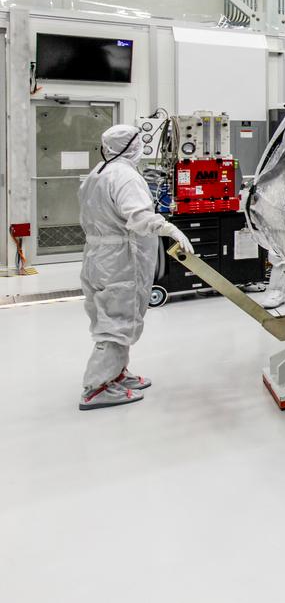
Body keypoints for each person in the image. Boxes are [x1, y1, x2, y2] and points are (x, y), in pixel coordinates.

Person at [79, 125, 194, 410]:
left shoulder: (97, 173)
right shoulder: (126, 176)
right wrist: (169, 229)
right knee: (118, 321)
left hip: (98, 254)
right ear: (132, 146)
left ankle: (116, 374)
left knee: (109, 316)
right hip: (120, 258)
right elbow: (139, 217)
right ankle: (97, 387)